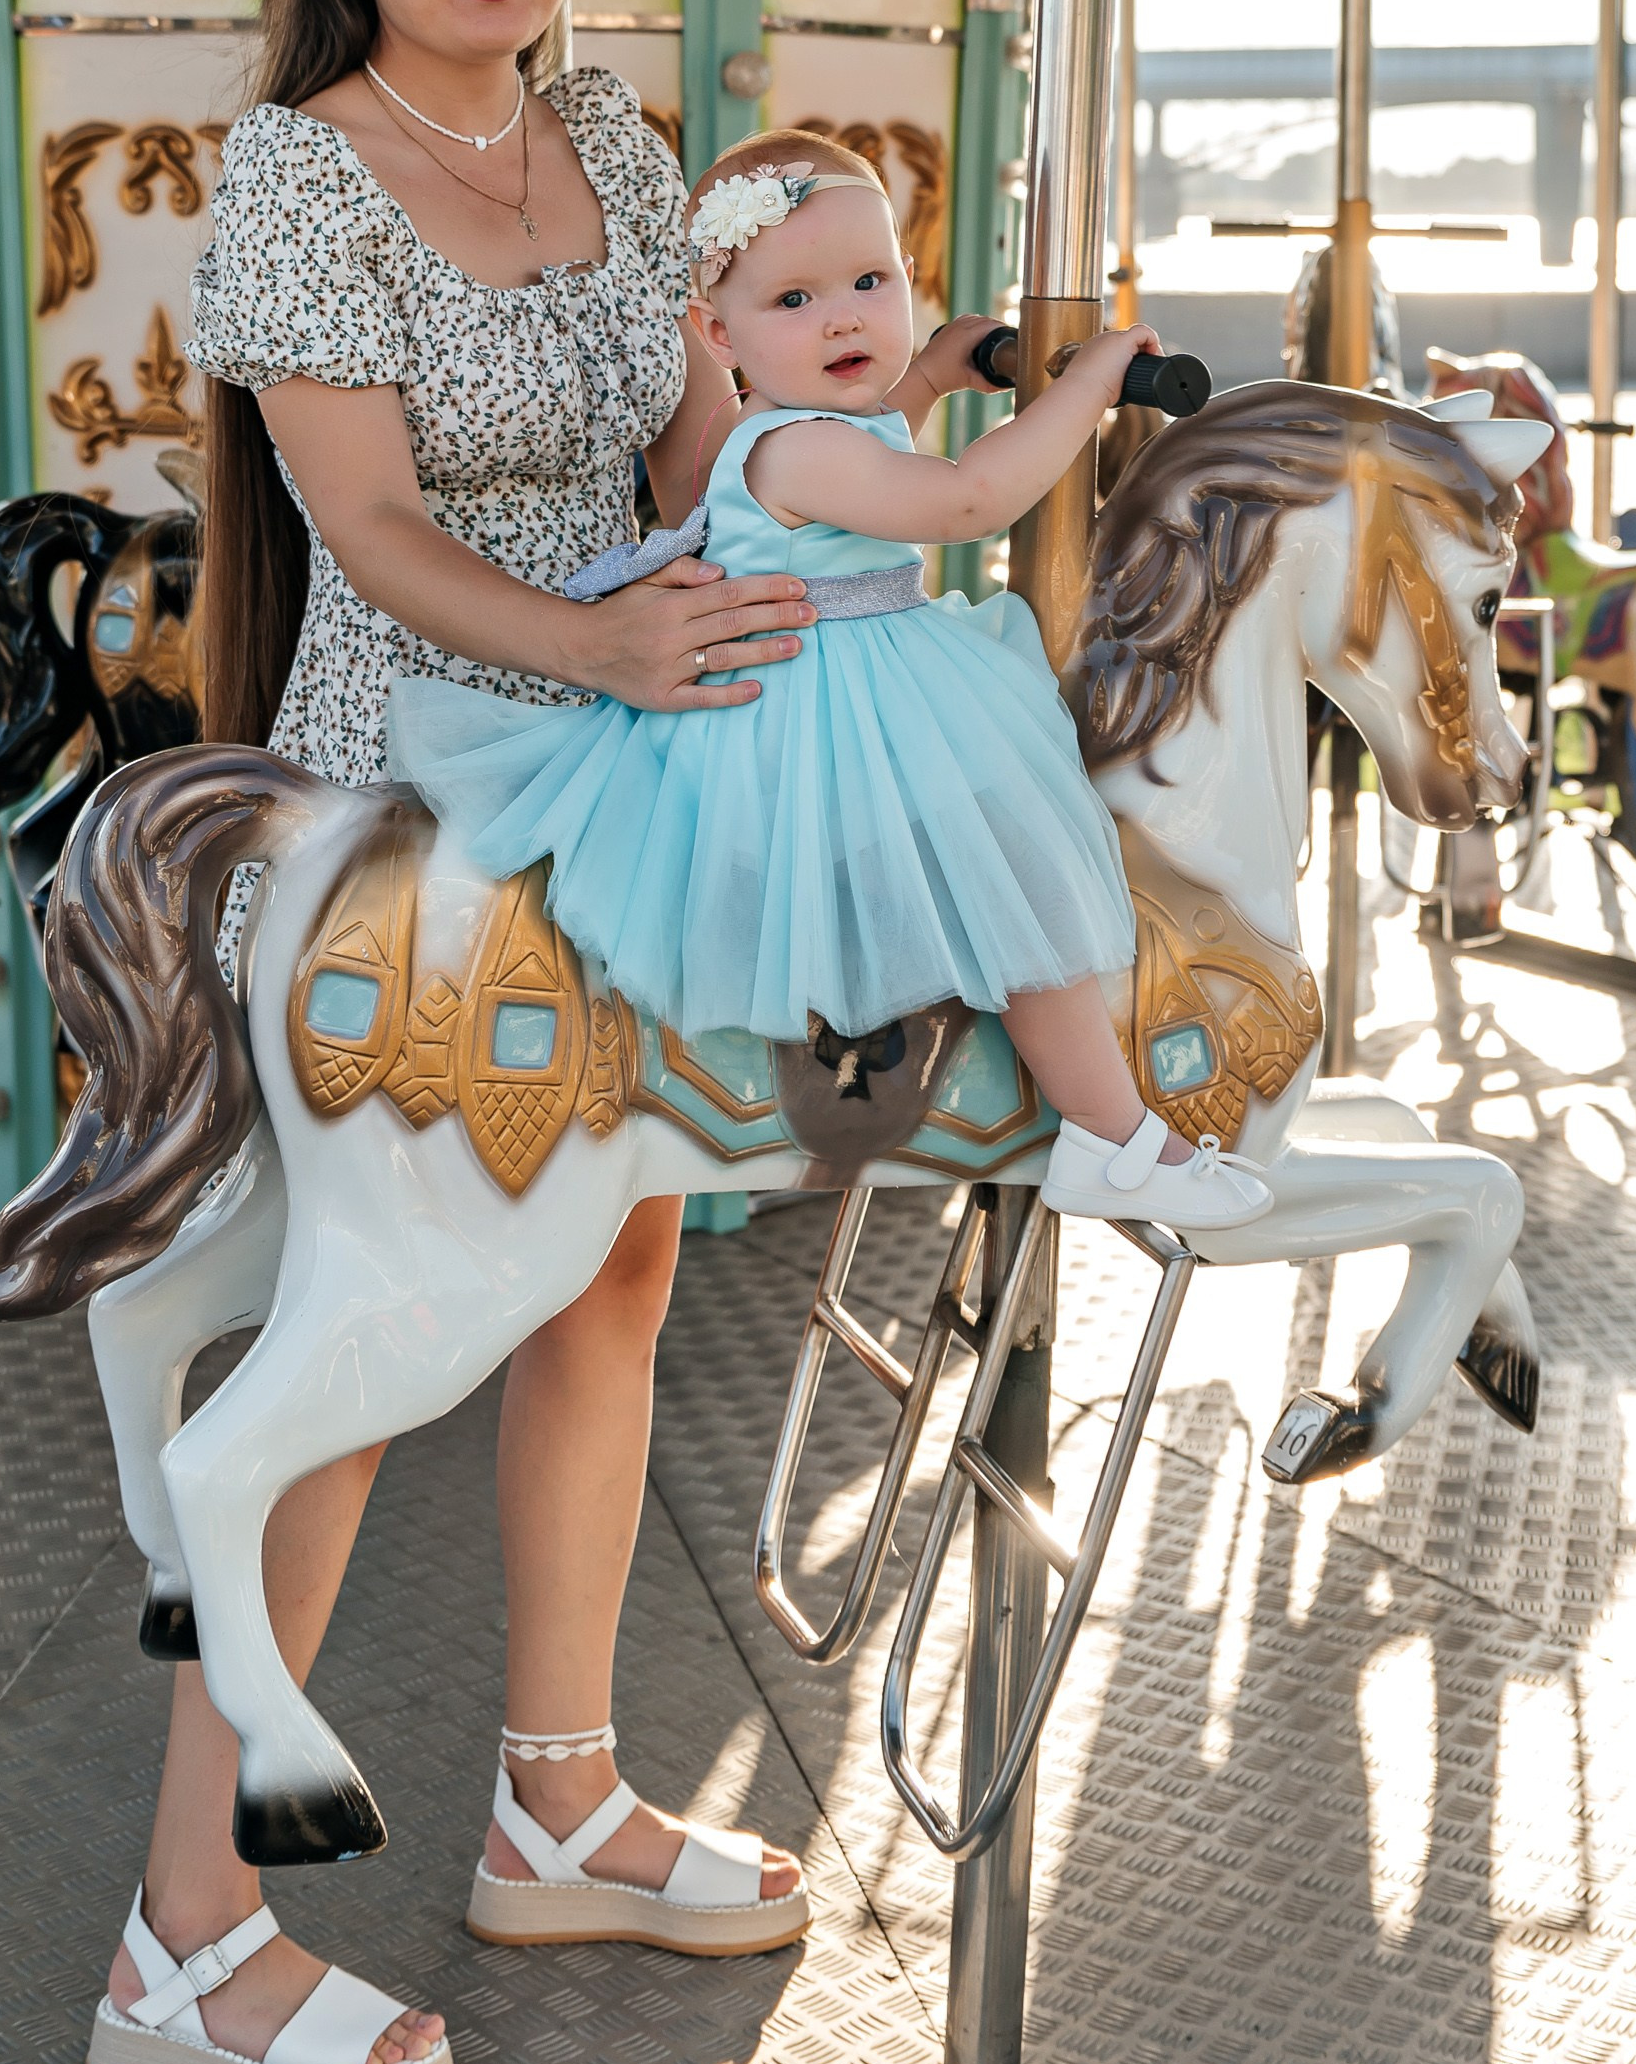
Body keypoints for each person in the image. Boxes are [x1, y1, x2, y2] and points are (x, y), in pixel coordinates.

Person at [95, 0, 816, 2064]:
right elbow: (371, 523)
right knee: (374, 1338)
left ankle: (559, 1796)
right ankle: (184, 1933)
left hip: (629, 774)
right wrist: (604, 636)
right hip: (421, 783)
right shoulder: (299, 173)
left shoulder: (609, 140)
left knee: (617, 1264)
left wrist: (817, 440)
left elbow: (692, 430)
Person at [393, 135, 1274, 1239]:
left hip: (846, 695)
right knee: (1016, 865)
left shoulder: (804, 431)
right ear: (722, 339)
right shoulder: (793, 450)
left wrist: (939, 374)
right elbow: (963, 500)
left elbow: (873, 428)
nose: (844, 317)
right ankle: (1110, 1137)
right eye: (796, 298)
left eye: (871, 282)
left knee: (999, 860)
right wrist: (1087, 388)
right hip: (825, 722)